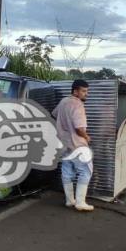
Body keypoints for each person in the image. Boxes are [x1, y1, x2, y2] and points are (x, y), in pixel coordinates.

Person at [52, 79, 94, 211]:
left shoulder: (64, 101)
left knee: (67, 171)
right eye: (83, 91)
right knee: (86, 171)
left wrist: (63, 128)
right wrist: (87, 137)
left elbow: (54, 114)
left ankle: (70, 201)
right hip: (77, 145)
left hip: (64, 144)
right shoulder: (78, 105)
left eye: (87, 91)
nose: (86, 94)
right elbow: (79, 128)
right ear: (75, 91)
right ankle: (80, 202)